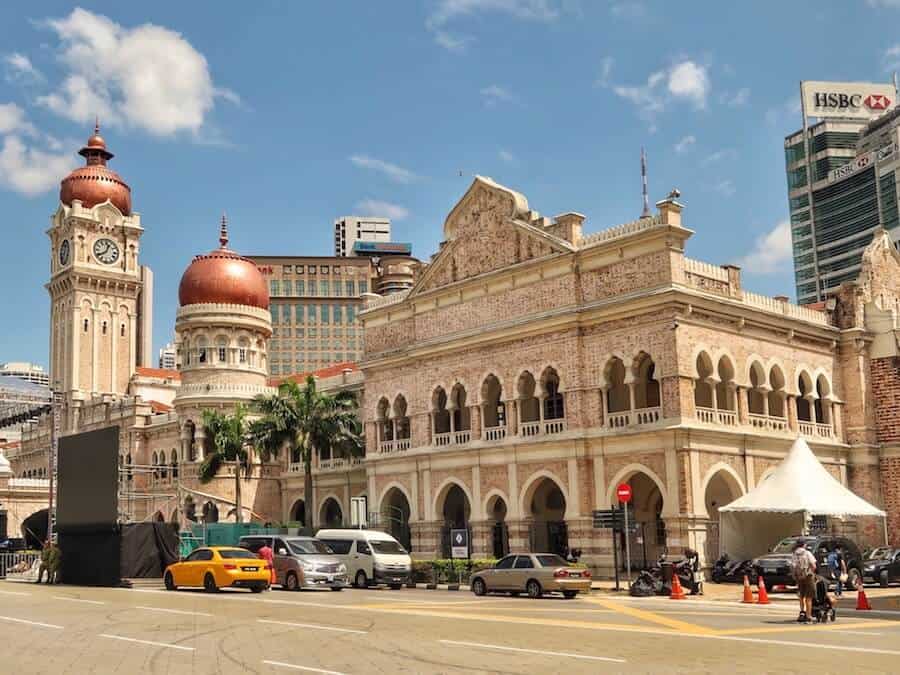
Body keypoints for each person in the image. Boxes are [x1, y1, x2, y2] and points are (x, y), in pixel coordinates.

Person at [792, 540, 817, 623]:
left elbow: (792, 566)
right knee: (809, 597)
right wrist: (812, 572)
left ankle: (802, 612)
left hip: (799, 577)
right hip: (808, 576)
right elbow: (813, 565)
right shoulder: (807, 553)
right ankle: (808, 616)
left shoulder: (794, 554)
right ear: (804, 545)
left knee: (801, 596)